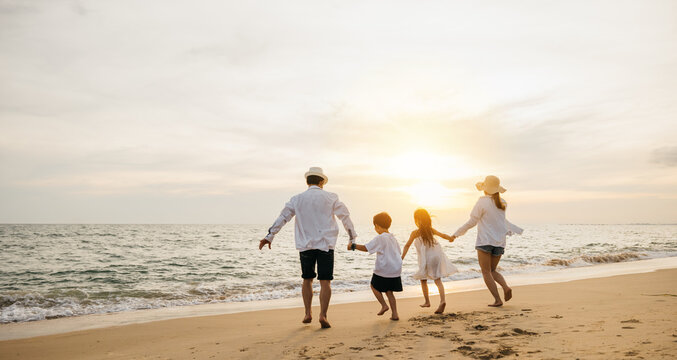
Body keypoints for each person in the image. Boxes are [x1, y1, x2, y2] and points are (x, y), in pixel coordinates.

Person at [259, 167, 357, 328]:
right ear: (320, 182)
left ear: (307, 181)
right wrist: (352, 237)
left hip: (305, 245)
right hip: (326, 245)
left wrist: (270, 236)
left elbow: (283, 217)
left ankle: (307, 313)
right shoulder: (331, 197)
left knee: (307, 279)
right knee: (325, 282)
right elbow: (345, 217)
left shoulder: (297, 199)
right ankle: (323, 315)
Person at [450, 175, 523, 307]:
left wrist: (456, 234)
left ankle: (497, 299)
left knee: (486, 272)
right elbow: (501, 221)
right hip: (500, 242)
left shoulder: (481, 202)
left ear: (485, 188)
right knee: (493, 270)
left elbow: (472, 222)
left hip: (485, 241)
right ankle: (505, 287)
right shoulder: (503, 203)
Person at [401, 208, 458, 314]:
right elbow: (443, 235)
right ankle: (442, 301)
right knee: (437, 280)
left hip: (426, 258)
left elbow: (407, 245)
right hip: (436, 256)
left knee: (423, 279)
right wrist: (450, 238)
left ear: (416, 220)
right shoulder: (431, 230)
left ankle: (427, 301)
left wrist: (401, 258)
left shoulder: (415, 233)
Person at [348, 212, 402, 321]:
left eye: (374, 226)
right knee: (389, 291)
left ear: (377, 225)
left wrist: (353, 246)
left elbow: (367, 248)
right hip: (395, 270)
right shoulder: (393, 238)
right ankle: (395, 314)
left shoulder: (380, 237)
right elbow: (398, 253)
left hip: (384, 270)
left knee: (373, 286)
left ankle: (383, 305)